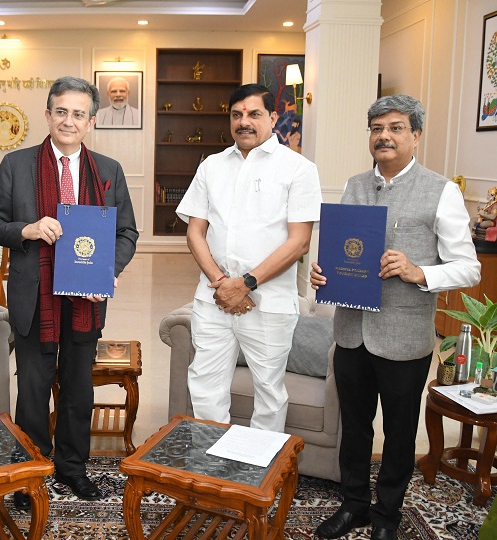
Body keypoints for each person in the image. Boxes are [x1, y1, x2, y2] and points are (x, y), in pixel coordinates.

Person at [311, 95, 480, 540]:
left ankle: (387, 515)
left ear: (416, 135)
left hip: (404, 337)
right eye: (376, 128)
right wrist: (322, 273)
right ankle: (353, 505)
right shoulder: (354, 185)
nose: (384, 136)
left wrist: (419, 271)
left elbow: (469, 268)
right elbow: (344, 251)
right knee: (354, 428)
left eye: (396, 127)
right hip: (351, 333)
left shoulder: (441, 190)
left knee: (400, 433)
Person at [0, 76, 138, 509]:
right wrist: (27, 229)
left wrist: (109, 269)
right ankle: (30, 472)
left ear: (91, 121)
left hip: (86, 301)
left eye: (79, 114)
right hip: (35, 299)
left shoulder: (108, 170)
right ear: (48, 115)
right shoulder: (17, 165)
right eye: (62, 112)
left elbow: (126, 232)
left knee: (77, 390)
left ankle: (72, 468)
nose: (69, 121)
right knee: (32, 390)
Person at [175, 83, 322, 431]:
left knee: (269, 391)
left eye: (254, 114)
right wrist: (223, 283)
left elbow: (299, 242)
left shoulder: (298, 168)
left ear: (272, 117)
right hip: (213, 298)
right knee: (205, 385)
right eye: (237, 115)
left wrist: (245, 284)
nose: (244, 122)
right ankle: (211, 459)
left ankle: (258, 465)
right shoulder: (212, 166)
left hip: (269, 303)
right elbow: (195, 233)